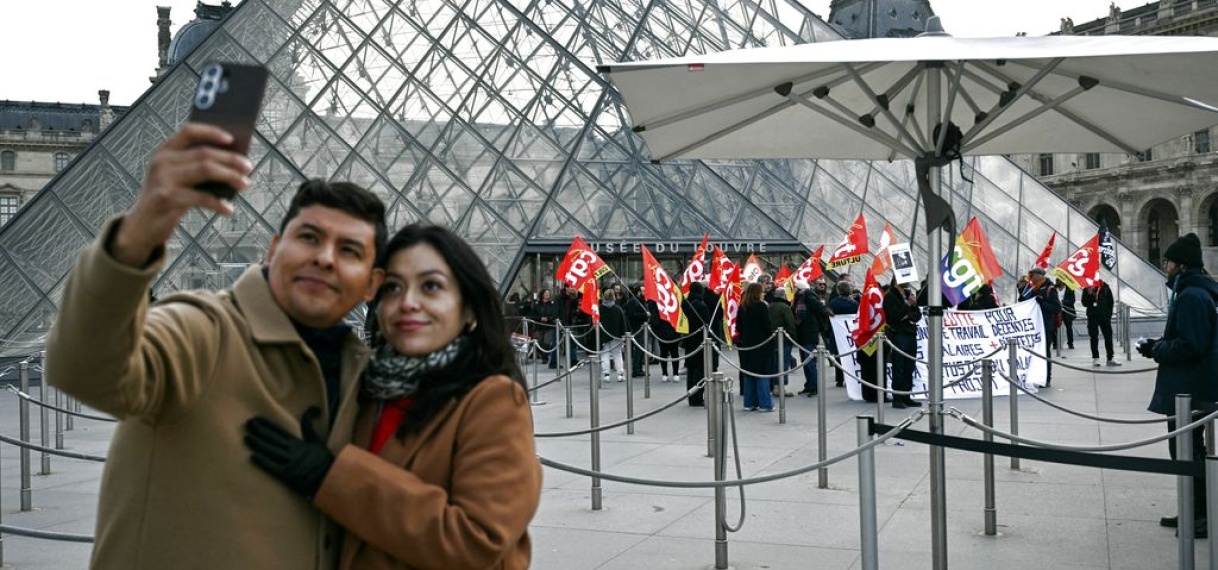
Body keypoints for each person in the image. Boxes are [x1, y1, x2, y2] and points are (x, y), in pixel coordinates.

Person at [44, 124, 387, 568]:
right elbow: (86, 368)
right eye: (309, 237)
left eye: (349, 250)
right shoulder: (201, 330)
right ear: (273, 249)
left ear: (372, 285)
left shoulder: (369, 379)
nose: (324, 257)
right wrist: (139, 232)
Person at [245, 223, 542, 568]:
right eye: (392, 288)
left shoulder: (494, 400)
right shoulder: (365, 386)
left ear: (469, 310)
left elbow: (476, 540)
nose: (407, 303)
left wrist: (332, 477)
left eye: (431, 286)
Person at [1137, 233, 1218, 539]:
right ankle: (1194, 510)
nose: (1165, 265)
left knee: (1187, 452)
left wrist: (1159, 349)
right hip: (1192, 384)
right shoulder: (1193, 292)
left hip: (1189, 387)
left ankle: (1200, 516)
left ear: (1181, 265)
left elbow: (1191, 345)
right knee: (1188, 450)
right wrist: (1157, 345)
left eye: (1168, 260)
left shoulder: (1191, 296)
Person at [1019, 266, 1061, 386]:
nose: (1033, 277)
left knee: (1045, 352)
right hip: (1034, 325)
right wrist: (1022, 298)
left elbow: (1057, 307)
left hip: (1046, 326)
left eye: (1035, 275)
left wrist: (1042, 303)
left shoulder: (1050, 288)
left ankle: (1047, 378)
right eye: (1032, 275)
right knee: (1035, 352)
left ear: (1041, 276)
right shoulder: (1032, 288)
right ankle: (1036, 376)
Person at [884, 280, 922, 409]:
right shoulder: (890, 296)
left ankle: (907, 395)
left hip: (911, 333)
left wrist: (909, 312)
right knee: (899, 366)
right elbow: (895, 317)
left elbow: (917, 315)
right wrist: (908, 306)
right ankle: (898, 397)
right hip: (899, 334)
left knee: (909, 366)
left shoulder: (907, 294)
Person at [738, 282, 775, 411]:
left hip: (747, 343)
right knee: (762, 373)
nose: (764, 294)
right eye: (762, 292)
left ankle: (749, 403)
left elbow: (739, 326)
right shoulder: (761, 306)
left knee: (749, 374)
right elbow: (767, 325)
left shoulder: (742, 306)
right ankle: (765, 403)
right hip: (761, 343)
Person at [793, 281, 830, 396]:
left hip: (809, 332)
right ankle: (809, 384)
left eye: (794, 287)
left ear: (799, 288)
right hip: (804, 333)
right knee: (806, 361)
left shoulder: (808, 296)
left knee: (810, 362)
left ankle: (814, 386)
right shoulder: (800, 298)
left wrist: (827, 312)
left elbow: (820, 307)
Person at [682, 282, 711, 406]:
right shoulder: (701, 305)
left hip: (689, 339)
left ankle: (691, 395)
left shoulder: (685, 303)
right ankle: (697, 396)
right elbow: (706, 323)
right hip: (699, 340)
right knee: (699, 370)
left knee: (691, 369)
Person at [1081, 279, 1119, 367]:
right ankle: (1095, 358)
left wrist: (1109, 315)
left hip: (1104, 315)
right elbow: (1084, 303)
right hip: (1092, 315)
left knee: (1108, 336)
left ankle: (1110, 358)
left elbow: (1111, 301)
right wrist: (1090, 295)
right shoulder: (1088, 287)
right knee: (1093, 336)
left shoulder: (1105, 286)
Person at [768, 287, 797, 398]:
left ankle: (775, 386)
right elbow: (790, 324)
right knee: (783, 364)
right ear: (784, 295)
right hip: (784, 339)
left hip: (772, 340)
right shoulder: (785, 307)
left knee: (775, 363)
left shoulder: (770, 306)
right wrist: (793, 338)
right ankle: (781, 387)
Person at [597, 287, 629, 383]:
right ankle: (620, 374)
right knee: (617, 354)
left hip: (603, 335)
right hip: (616, 335)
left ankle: (606, 374)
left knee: (604, 354)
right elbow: (623, 324)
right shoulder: (618, 309)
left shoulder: (599, 309)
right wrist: (624, 335)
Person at [624, 284, 650, 377]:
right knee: (638, 349)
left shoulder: (641, 301)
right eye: (643, 291)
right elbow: (631, 315)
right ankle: (635, 369)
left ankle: (639, 367)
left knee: (642, 349)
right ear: (638, 292)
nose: (645, 293)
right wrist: (645, 315)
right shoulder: (633, 302)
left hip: (642, 328)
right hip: (636, 328)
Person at [532, 288, 559, 366]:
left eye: (548, 293)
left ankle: (545, 358)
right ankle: (542, 355)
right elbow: (532, 315)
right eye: (546, 293)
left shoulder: (552, 304)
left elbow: (555, 315)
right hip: (539, 327)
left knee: (546, 343)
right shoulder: (537, 304)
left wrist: (548, 319)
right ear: (542, 294)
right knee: (539, 342)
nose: (547, 294)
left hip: (549, 327)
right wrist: (540, 318)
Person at [1057, 281, 1077, 349]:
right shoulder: (1054, 288)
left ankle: (1070, 343)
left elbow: (1072, 300)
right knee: (1055, 327)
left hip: (1067, 310)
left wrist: (1063, 302)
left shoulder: (1070, 288)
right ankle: (1056, 343)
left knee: (1069, 327)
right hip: (1057, 310)